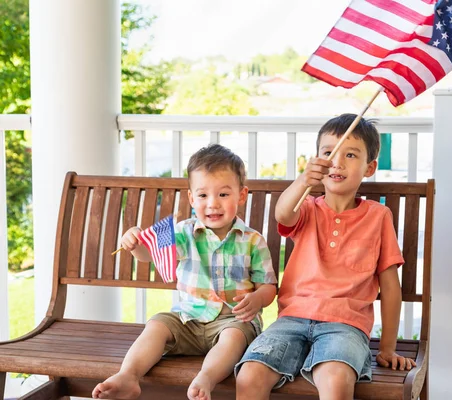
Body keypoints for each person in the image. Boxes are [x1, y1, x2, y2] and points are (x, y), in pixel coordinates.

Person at [235, 114, 416, 400]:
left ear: (369, 168)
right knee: (250, 375)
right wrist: (302, 180)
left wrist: (388, 348)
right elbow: (283, 213)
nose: (337, 162)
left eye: (350, 154)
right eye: (328, 152)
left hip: (346, 326)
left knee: (335, 379)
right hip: (291, 319)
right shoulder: (306, 207)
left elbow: (391, 286)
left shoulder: (378, 217)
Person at [92, 144, 277, 400]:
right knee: (157, 324)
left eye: (223, 194)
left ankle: (206, 377)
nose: (212, 204)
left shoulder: (252, 240)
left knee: (233, 338)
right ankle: (128, 376)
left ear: (241, 195)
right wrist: (135, 245)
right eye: (203, 196)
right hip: (187, 318)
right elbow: (150, 254)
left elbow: (268, 286)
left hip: (232, 320)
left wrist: (257, 299)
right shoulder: (183, 232)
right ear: (191, 198)